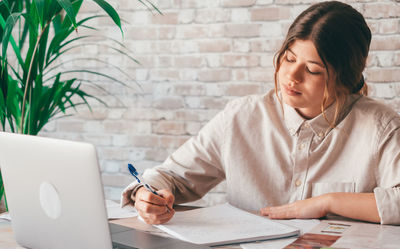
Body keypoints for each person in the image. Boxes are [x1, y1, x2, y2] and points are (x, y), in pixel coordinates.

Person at [121, 1, 400, 225]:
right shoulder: (243, 116)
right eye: (289, 59)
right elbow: (171, 176)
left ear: (345, 77)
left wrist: (327, 202)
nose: (291, 75)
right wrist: (148, 195)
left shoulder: (381, 128)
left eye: (313, 70)